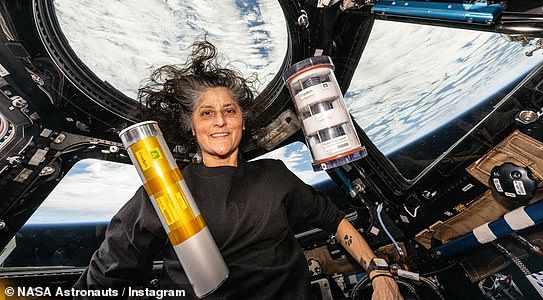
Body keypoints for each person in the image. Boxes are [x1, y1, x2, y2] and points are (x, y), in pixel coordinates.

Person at [74, 40, 403, 300]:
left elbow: (334, 221)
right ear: (191, 127)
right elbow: (108, 274)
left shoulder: (275, 175)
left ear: (242, 122)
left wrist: (379, 272)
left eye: (228, 111)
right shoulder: (165, 191)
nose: (219, 121)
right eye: (206, 114)